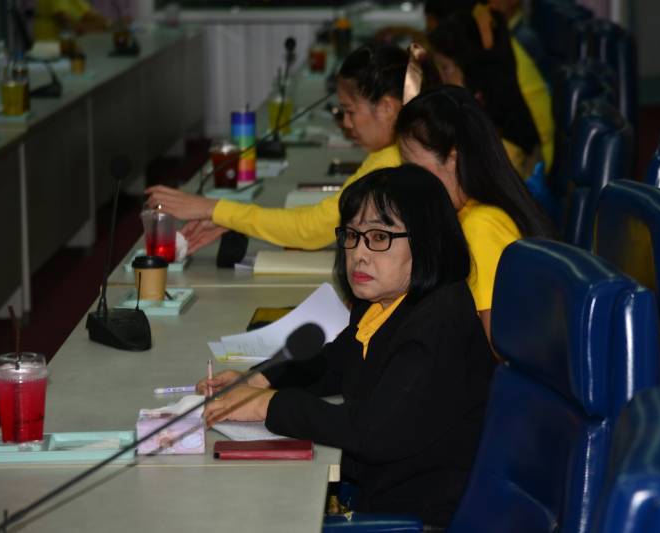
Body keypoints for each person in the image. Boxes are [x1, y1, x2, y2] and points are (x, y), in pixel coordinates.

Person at [198, 165, 495, 528]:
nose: (359, 254)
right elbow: (335, 362)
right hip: (381, 492)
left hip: (416, 517)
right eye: (352, 235)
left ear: (427, 241)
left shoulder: (437, 326)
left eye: (380, 237)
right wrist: (259, 380)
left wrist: (267, 404)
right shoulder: (387, 301)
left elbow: (370, 432)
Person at [145, 44, 439, 253]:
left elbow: (310, 229)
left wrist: (213, 207)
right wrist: (230, 218)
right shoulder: (397, 151)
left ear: (387, 108)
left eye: (350, 111)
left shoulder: (390, 163)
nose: (346, 123)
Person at [395, 85, 555, 342]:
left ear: (452, 159)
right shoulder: (474, 212)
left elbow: (496, 344)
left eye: (412, 167)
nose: (406, 180)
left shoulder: (481, 226)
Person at [425, 0, 555, 173]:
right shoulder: (493, 49)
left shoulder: (501, 145)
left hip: (535, 164)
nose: (440, 78)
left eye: (445, 68)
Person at [33, 0, 109, 41]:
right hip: (48, 39)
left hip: (56, 38)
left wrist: (105, 22)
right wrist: (80, 27)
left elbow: (85, 12)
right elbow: (61, 16)